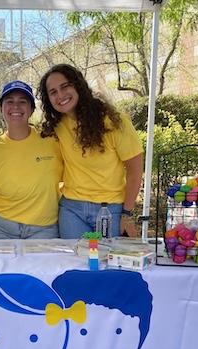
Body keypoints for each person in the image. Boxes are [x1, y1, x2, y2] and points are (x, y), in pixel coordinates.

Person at [38, 64, 144, 239]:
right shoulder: (56, 127)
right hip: (72, 210)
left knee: (105, 263)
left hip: (110, 209)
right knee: (75, 262)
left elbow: (135, 170)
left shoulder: (113, 122)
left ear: (78, 85)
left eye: (65, 86)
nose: (60, 95)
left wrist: (127, 213)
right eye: (53, 92)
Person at [0, 80, 62, 240]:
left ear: (32, 109)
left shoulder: (53, 140)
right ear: (1, 108)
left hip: (43, 229)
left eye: (22, 102)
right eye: (9, 101)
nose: (16, 107)